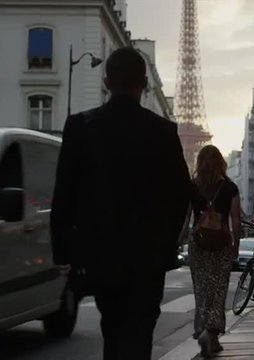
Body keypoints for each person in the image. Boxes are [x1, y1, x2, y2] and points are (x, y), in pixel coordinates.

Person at [50, 47, 191, 360]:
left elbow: (64, 194)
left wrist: (64, 251)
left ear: (106, 81)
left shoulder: (80, 127)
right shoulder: (162, 131)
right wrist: (165, 241)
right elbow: (182, 194)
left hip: (100, 254)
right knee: (139, 333)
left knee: (112, 328)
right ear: (143, 84)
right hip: (148, 257)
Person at [189, 145, 241, 357]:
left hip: (198, 243)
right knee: (218, 289)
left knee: (201, 290)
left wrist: (181, 240)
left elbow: (186, 219)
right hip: (221, 243)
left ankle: (202, 329)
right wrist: (236, 245)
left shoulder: (192, 186)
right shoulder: (230, 188)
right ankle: (212, 332)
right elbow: (236, 221)